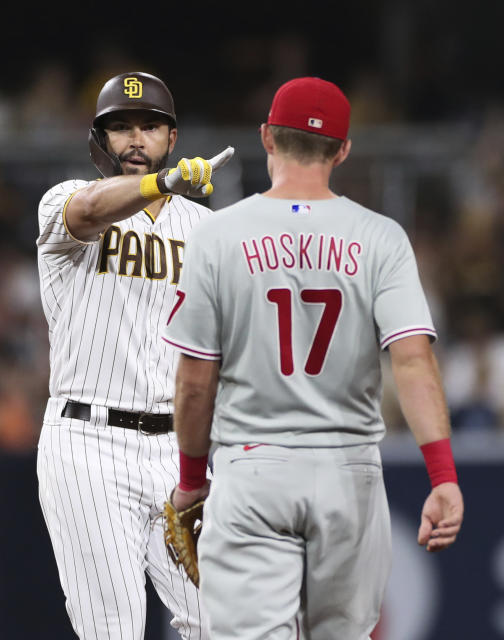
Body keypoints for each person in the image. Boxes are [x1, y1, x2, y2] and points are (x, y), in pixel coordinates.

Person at [162, 76, 464, 639]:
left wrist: (190, 479)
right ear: (343, 150)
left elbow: (195, 381)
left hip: (253, 468)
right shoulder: (381, 237)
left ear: (267, 137)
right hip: (348, 471)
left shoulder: (218, 235)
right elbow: (413, 360)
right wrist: (442, 475)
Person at [35, 70, 233, 639]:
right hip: (88, 444)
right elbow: (93, 209)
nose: (135, 140)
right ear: (99, 141)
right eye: (120, 127)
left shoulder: (204, 229)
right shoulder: (66, 201)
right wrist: (163, 183)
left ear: (172, 137)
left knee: (224, 622)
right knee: (114, 629)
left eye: (150, 126)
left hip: (180, 449)